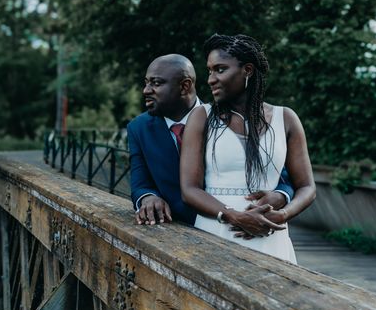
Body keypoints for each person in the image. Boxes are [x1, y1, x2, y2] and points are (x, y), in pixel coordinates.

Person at [180, 34, 316, 263]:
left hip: (270, 234)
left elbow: (307, 187)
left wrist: (283, 215)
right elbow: (189, 189)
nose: (211, 79)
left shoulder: (286, 118)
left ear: (248, 70)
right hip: (217, 231)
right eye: (210, 71)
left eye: (220, 69)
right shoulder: (201, 117)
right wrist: (233, 216)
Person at [127, 54, 294, 226]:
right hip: (173, 230)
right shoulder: (138, 128)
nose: (146, 90)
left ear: (185, 86)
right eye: (146, 82)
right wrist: (148, 197)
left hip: (236, 225)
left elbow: (279, 176)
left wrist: (281, 196)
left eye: (156, 83)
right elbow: (140, 183)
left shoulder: (225, 119)